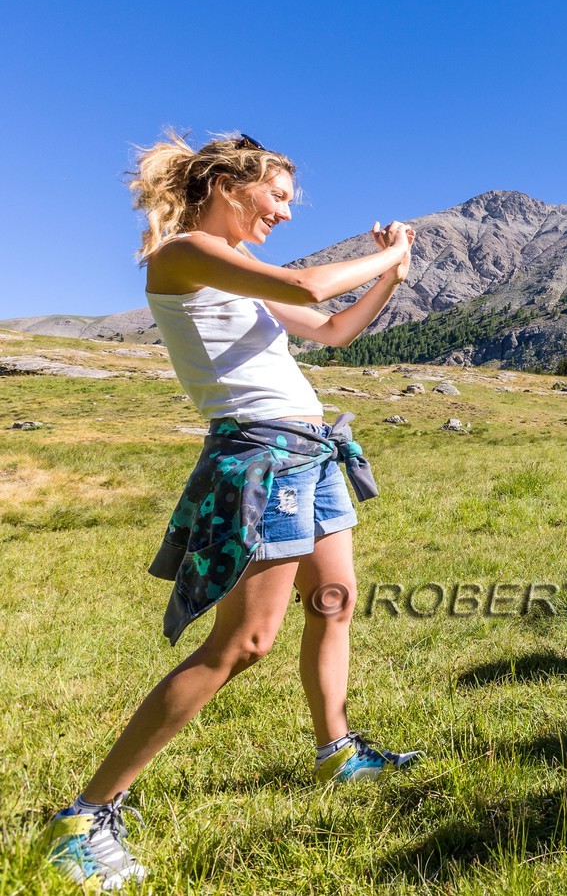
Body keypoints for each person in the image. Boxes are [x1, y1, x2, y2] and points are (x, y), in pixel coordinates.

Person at [45, 132, 421, 890]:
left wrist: (395, 275)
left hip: (311, 455)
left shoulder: (242, 280)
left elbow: (334, 327)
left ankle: (337, 753)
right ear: (224, 182)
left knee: (335, 602)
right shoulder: (182, 254)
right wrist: (387, 254)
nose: (283, 213)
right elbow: (315, 289)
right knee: (245, 643)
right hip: (261, 457)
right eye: (276, 196)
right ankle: (83, 817)